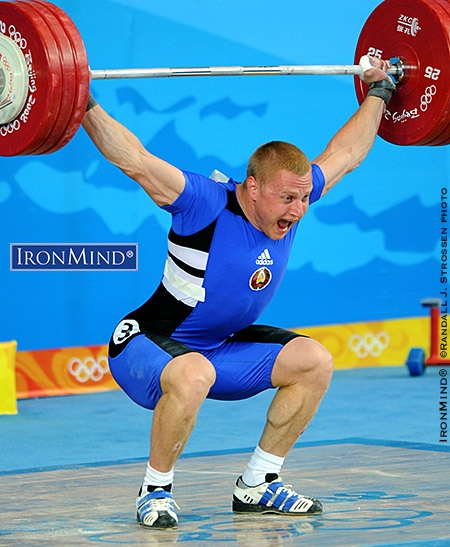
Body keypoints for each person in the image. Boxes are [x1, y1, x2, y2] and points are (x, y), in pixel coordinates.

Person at [82, 55, 395, 529]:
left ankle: (259, 484)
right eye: (288, 198)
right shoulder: (203, 202)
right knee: (192, 373)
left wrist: (380, 91)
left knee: (313, 361)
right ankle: (155, 490)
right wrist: (79, 100)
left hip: (218, 350)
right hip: (145, 344)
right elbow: (135, 160)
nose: (299, 209)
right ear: (252, 187)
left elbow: (346, 154)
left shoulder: (294, 198)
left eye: (305, 197)